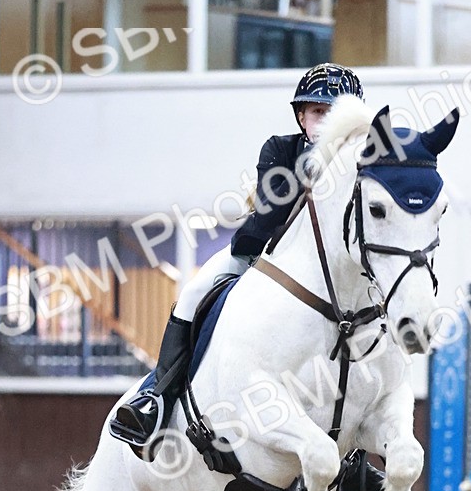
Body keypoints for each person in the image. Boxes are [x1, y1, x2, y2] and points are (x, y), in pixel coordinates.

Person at [109, 63, 365, 457]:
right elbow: (272, 214)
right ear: (301, 117)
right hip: (261, 257)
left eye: (336, 113)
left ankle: (358, 452)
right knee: (194, 292)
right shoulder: (279, 149)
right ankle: (155, 399)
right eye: (318, 112)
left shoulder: (364, 167)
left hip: (333, 278)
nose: (327, 121)